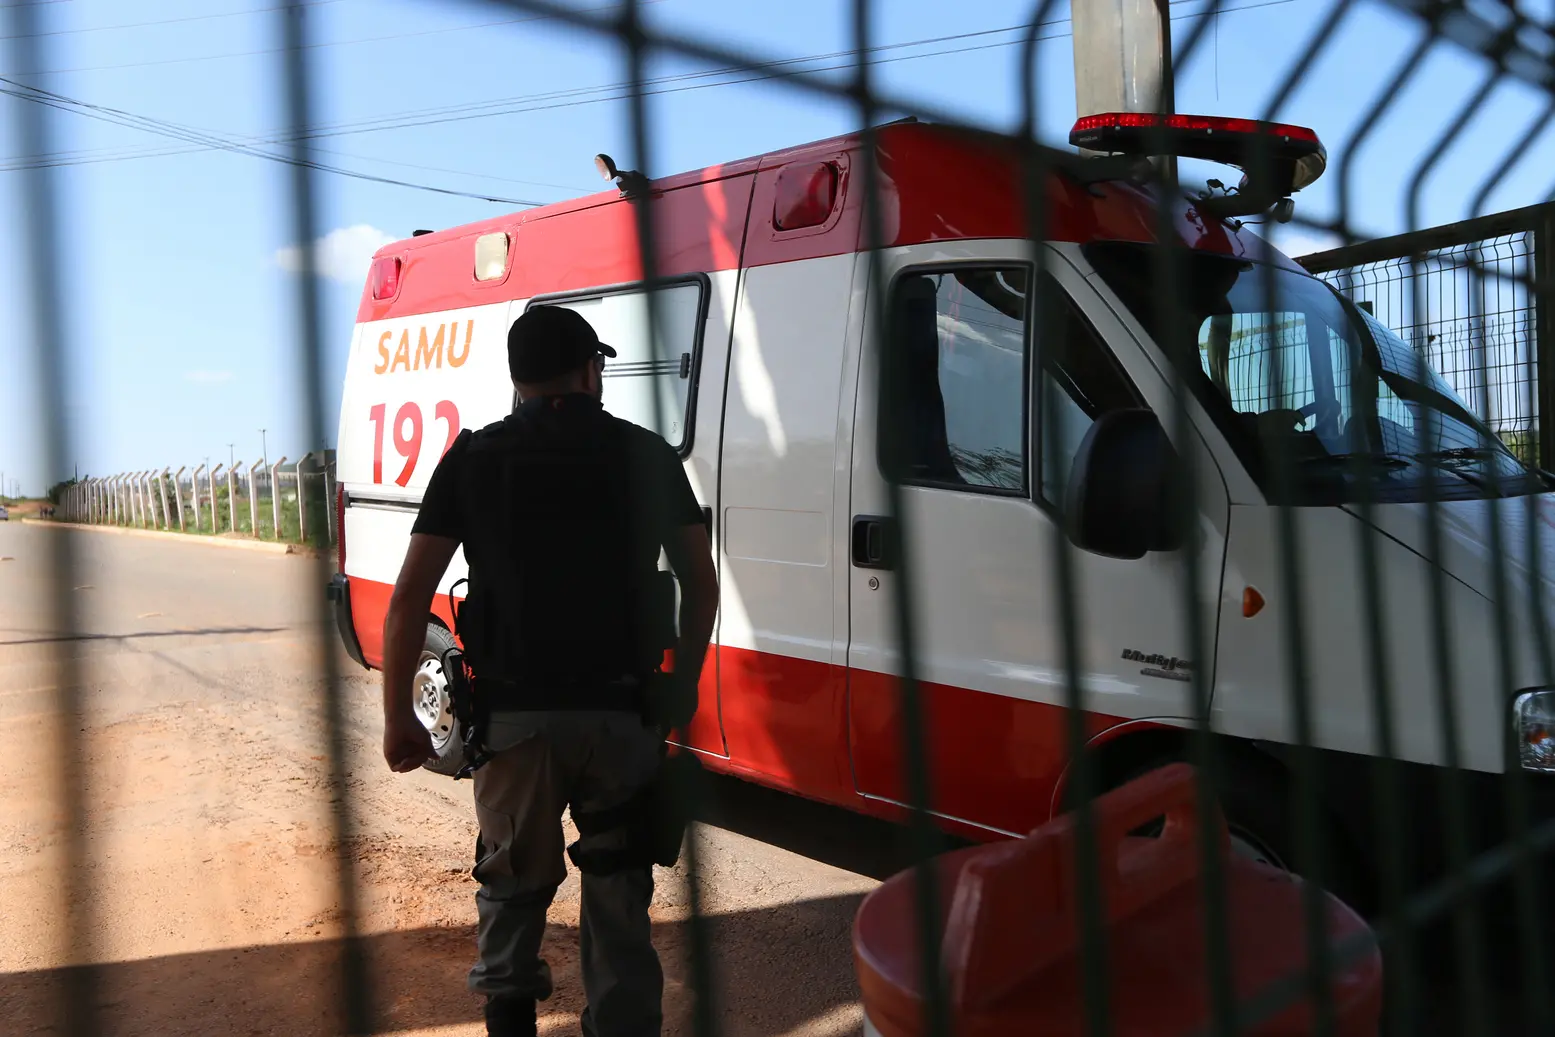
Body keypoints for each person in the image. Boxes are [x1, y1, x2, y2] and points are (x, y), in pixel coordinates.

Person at [379, 305, 719, 1037]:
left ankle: (510, 1018)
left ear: (516, 376)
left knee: (511, 885)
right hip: (622, 714)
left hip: (515, 721)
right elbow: (701, 578)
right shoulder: (646, 454)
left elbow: (408, 599)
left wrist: (397, 717)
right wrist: (683, 679)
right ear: (590, 368)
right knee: (619, 888)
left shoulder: (472, 458)